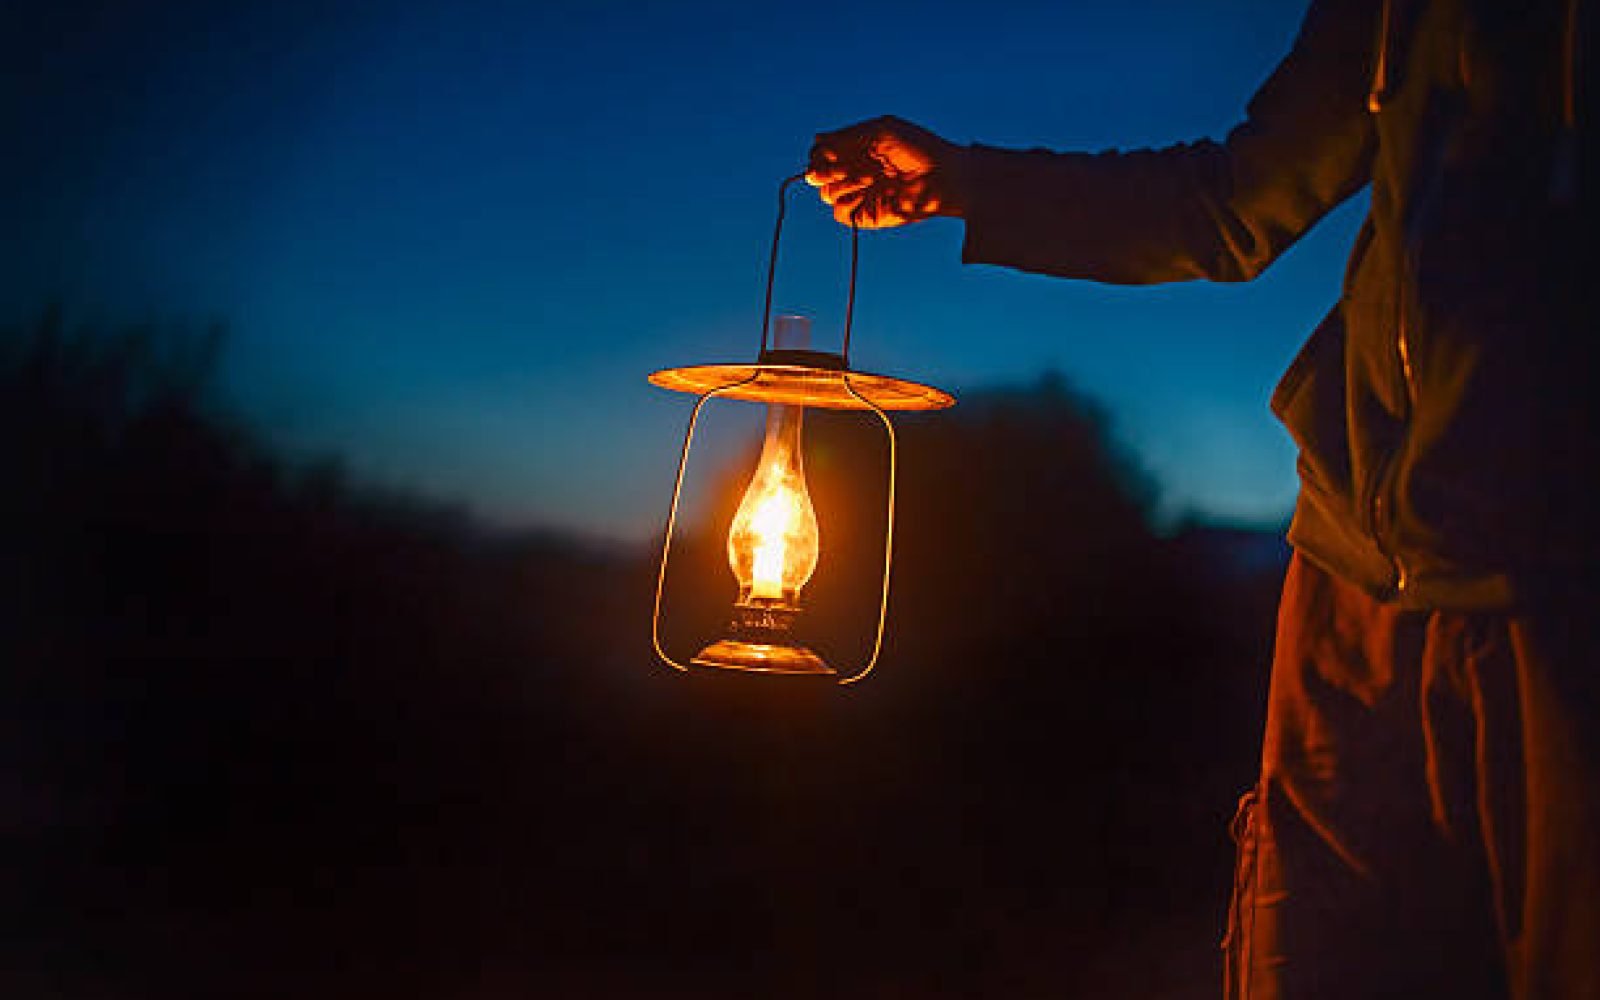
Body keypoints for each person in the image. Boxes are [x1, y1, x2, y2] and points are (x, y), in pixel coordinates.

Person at [807, 0, 1599, 997]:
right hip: (1355, 563)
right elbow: (1233, 202)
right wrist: (966, 183)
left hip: (1561, 589)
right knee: (1309, 959)